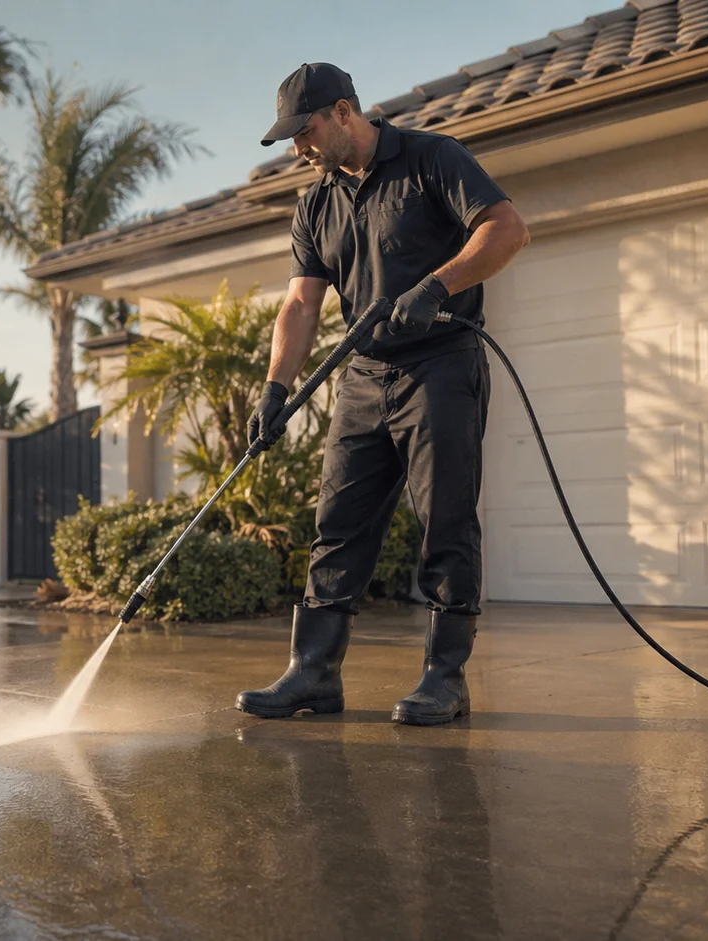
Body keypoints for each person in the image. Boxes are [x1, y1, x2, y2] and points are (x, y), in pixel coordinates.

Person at [237, 63, 529, 726]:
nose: (297, 148)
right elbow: (300, 304)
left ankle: (445, 678)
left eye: (303, 130)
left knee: (446, 523)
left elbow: (506, 229)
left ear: (343, 111)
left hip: (441, 366)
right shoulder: (315, 203)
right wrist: (275, 387)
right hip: (365, 379)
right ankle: (312, 674)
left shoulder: (432, 158)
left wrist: (438, 285)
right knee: (336, 527)